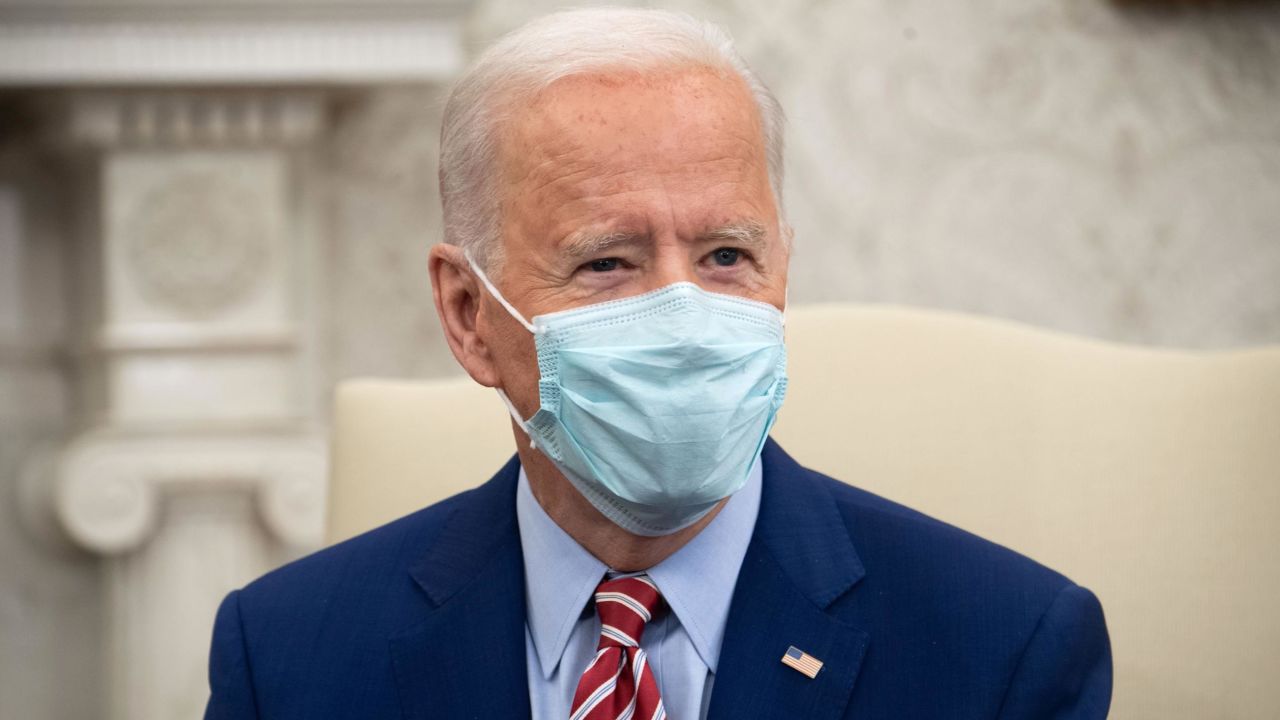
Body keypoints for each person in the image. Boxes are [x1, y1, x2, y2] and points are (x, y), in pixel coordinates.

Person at [203, 8, 1111, 719]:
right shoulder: (287, 655)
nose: (685, 315)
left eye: (725, 256)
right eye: (607, 262)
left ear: (781, 270)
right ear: (469, 314)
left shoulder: (1004, 648)